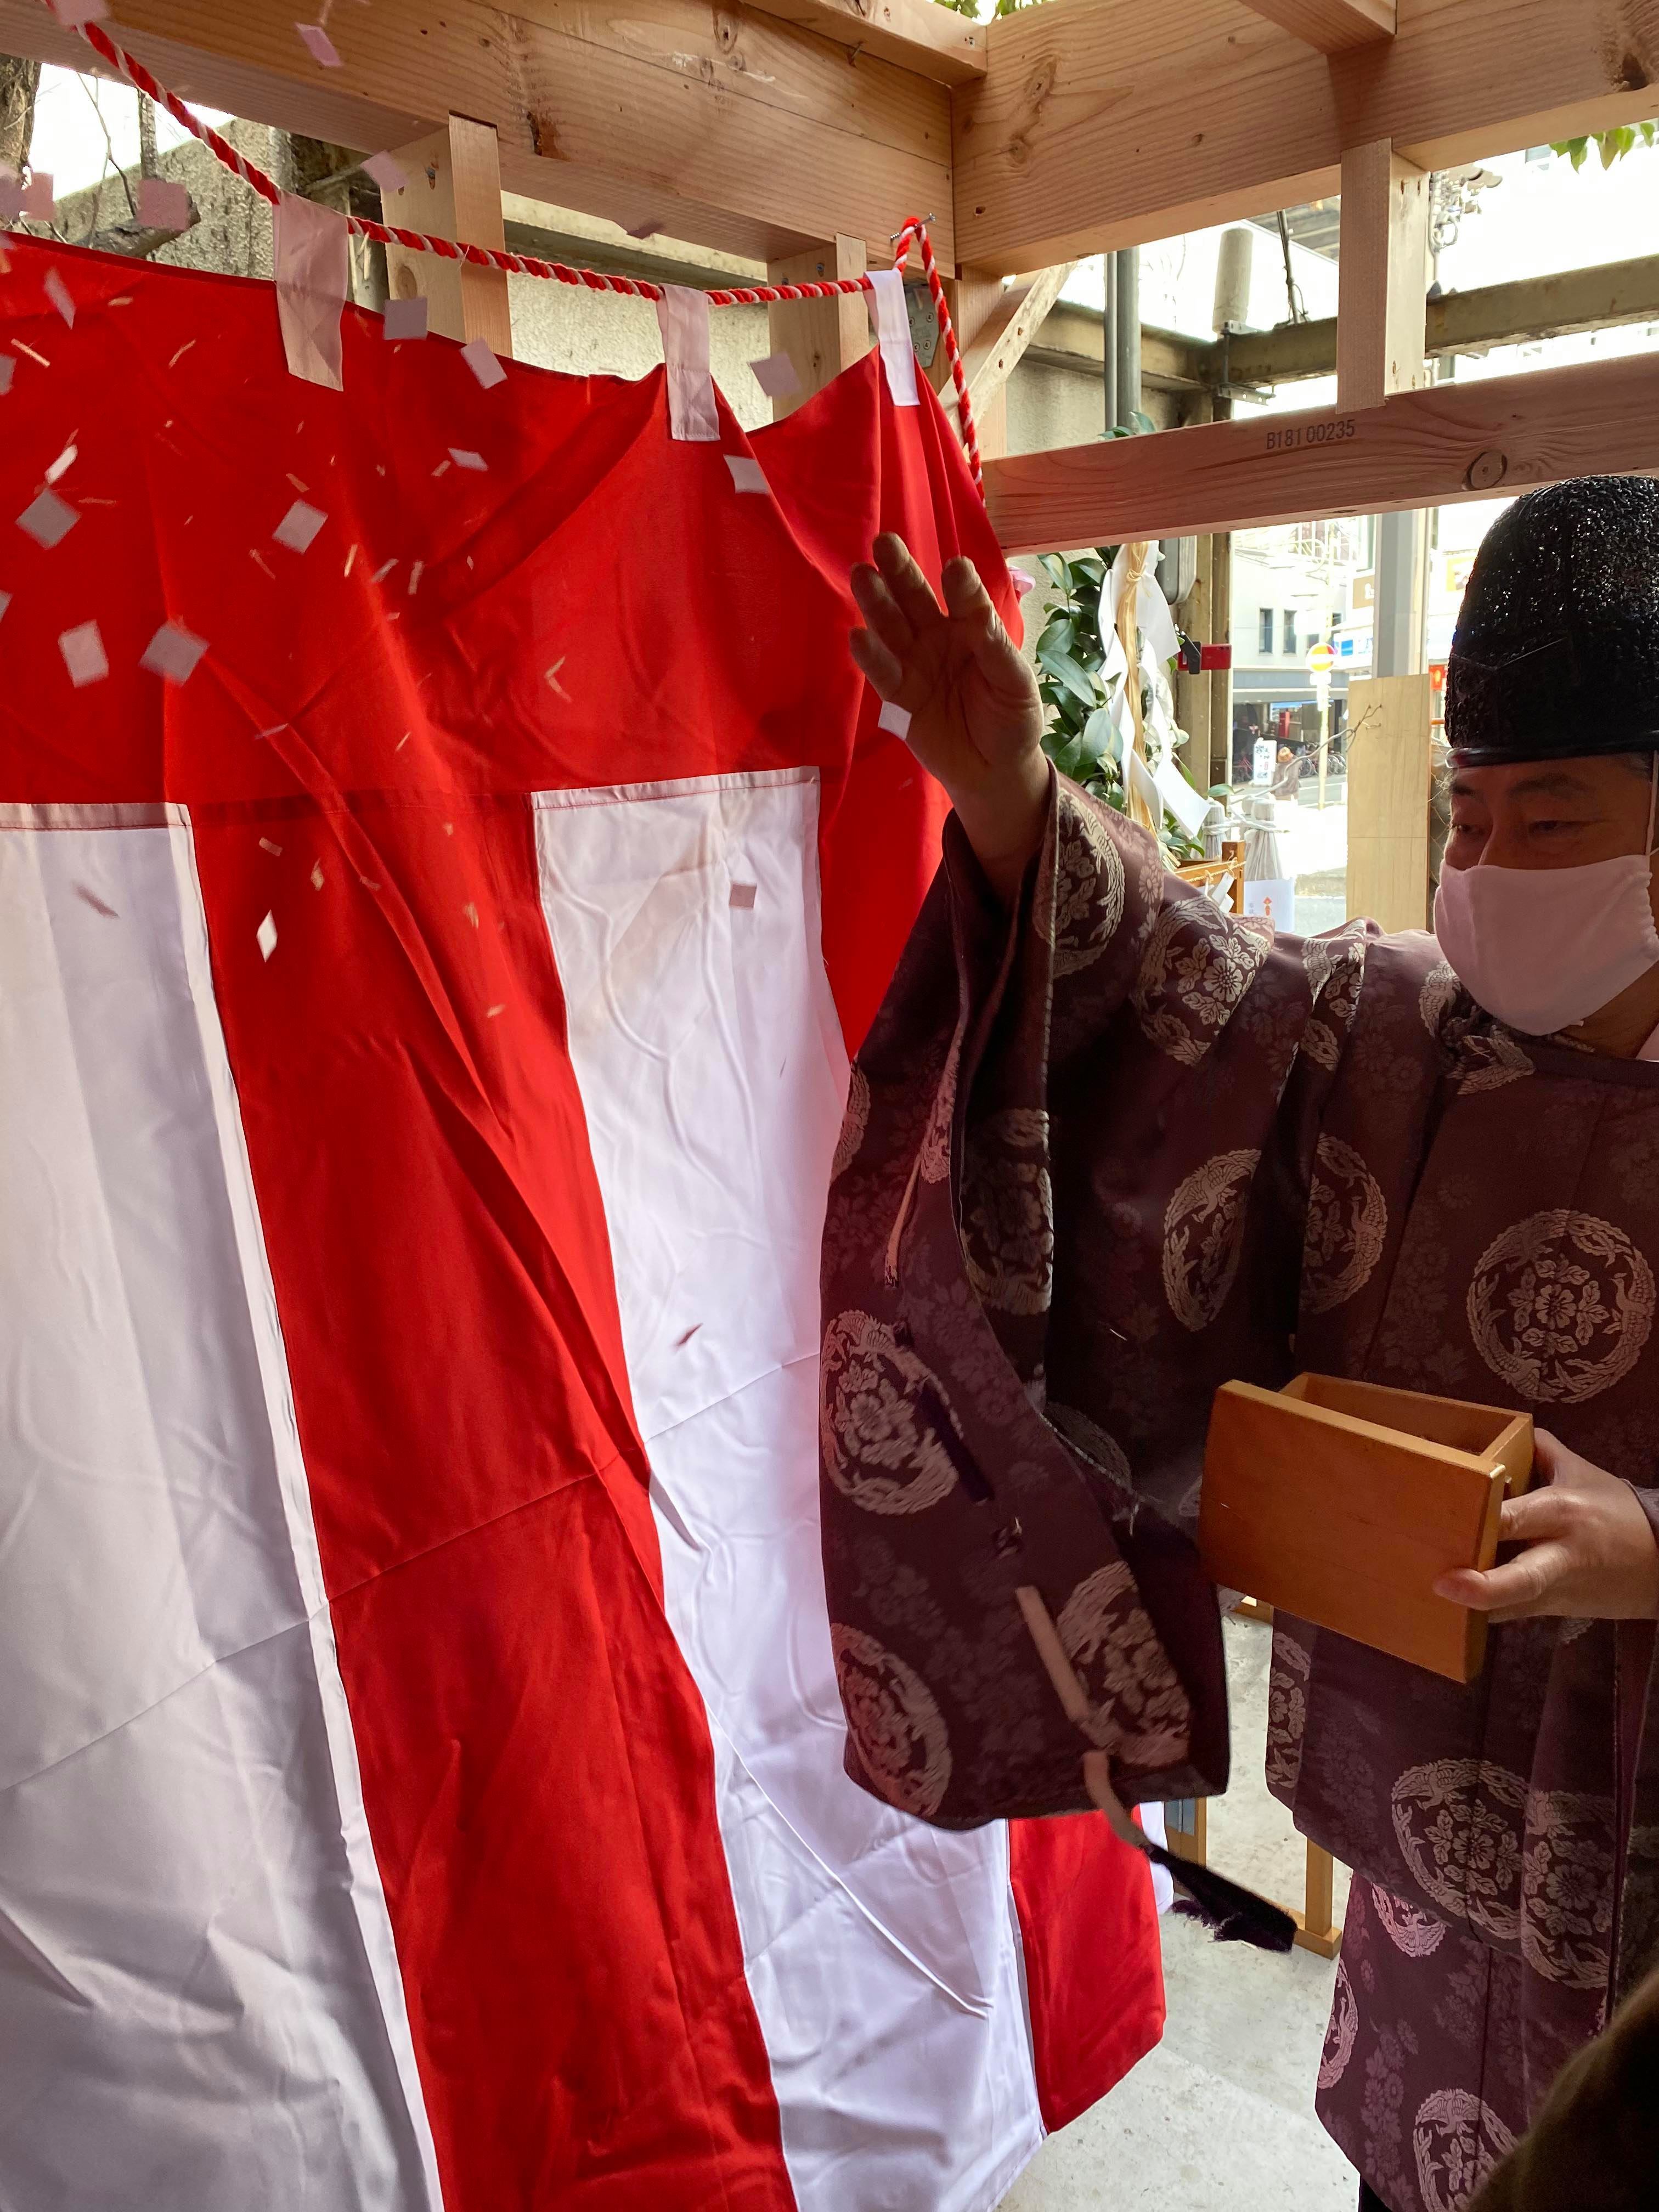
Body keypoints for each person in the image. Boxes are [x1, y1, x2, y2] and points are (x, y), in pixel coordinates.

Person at [823, 475, 1659, 2212]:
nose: (1486, 869)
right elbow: (1179, 994)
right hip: (1428, 1846)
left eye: (1549, 819)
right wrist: (1012, 798)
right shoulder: (1403, 1033)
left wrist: (1651, 1550)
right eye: (1466, 816)